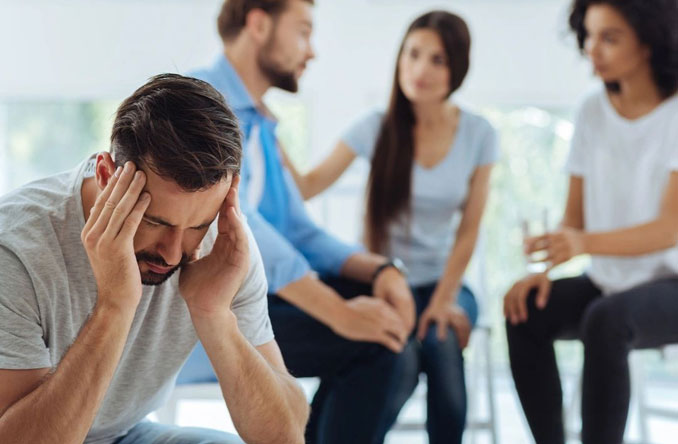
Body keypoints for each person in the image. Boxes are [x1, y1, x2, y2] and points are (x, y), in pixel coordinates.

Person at [0, 74, 309, 444]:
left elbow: (285, 435)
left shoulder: (221, 243)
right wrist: (114, 305)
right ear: (105, 176)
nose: (173, 252)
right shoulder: (17, 249)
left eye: (197, 225)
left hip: (124, 435)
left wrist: (215, 315)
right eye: (154, 221)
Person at [186, 1, 417, 443]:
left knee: (387, 330)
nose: (310, 52)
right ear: (258, 24)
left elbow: (298, 229)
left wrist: (380, 271)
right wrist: (338, 312)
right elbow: (237, 221)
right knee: (380, 346)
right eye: (304, 32)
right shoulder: (200, 102)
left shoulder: (259, 126)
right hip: (206, 314)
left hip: (256, 300)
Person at [285, 10, 498, 444]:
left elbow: (470, 231)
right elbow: (306, 187)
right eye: (413, 54)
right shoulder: (375, 128)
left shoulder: (479, 134)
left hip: (446, 282)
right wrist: (268, 136)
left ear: (457, 68)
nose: (420, 69)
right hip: (384, 282)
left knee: (439, 343)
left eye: (437, 60)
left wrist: (442, 301)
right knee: (388, 359)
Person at [503, 1, 678, 443]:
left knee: (605, 320)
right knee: (523, 312)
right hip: (608, 281)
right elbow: (574, 221)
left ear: (648, 43)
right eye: (588, 35)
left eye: (609, 38)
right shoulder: (591, 111)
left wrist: (582, 243)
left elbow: (669, 228)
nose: (591, 50)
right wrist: (542, 272)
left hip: (671, 283)